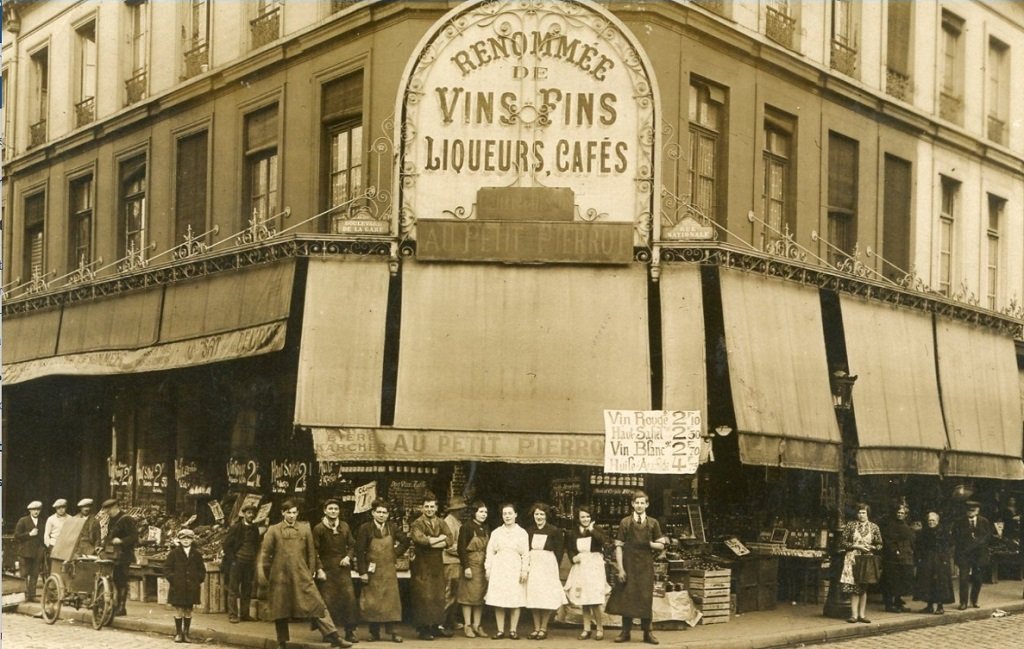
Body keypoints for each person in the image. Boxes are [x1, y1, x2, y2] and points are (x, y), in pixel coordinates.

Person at [258, 499, 351, 649]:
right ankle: (282, 642)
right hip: (280, 577)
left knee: (317, 604)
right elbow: (265, 555)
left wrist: (311, 572)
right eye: (289, 512)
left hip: (302, 575)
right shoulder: (273, 530)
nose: (292, 516)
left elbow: (311, 553)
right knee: (280, 609)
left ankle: (334, 637)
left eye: (294, 513)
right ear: (283, 513)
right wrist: (271, 575)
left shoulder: (304, 529)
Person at [606, 490, 666, 645]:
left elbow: (661, 544)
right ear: (632, 504)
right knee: (627, 596)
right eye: (636, 503)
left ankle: (648, 633)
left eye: (642, 503)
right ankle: (625, 632)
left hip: (646, 566)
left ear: (647, 504)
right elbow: (618, 546)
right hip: (628, 565)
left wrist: (648, 544)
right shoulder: (625, 522)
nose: (639, 506)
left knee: (645, 598)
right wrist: (620, 569)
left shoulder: (653, 523)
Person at [355, 499, 406, 643]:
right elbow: (359, 551)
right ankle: (374, 633)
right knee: (373, 602)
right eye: (379, 512)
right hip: (372, 571)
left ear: (388, 515)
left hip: (389, 570)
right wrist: (362, 572)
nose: (381, 515)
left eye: (384, 512)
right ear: (373, 513)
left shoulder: (392, 527)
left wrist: (395, 553)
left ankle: (394, 632)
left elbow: (405, 541)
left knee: (391, 602)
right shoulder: (365, 528)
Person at [408, 492, 455, 640]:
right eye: (426, 506)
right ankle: (423, 629)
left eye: (432, 506)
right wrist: (438, 539)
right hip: (421, 564)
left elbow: (450, 539)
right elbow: (420, 540)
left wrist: (433, 541)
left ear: (436, 508)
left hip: (436, 564)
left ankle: (435, 626)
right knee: (424, 596)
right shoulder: (417, 523)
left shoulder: (441, 522)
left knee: (437, 595)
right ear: (422, 508)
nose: (429, 509)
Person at [313, 499, 359, 643]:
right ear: (325, 511)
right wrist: (319, 569)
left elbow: (352, 545)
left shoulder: (344, 526)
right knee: (327, 601)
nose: (333, 511)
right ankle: (329, 633)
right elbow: (314, 551)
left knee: (349, 600)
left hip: (343, 569)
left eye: (336, 509)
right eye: (330, 509)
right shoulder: (319, 528)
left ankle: (350, 632)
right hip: (327, 570)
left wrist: (348, 557)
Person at [484, 502, 529, 640]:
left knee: (515, 599)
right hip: (499, 568)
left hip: (515, 567)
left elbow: (526, 553)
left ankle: (513, 630)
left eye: (510, 513)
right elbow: (490, 551)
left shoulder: (522, 533)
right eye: (504, 514)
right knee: (499, 599)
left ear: (515, 514)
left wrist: (524, 570)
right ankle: (500, 630)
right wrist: (488, 569)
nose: (507, 516)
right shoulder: (496, 532)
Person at [565, 504, 610, 640]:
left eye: (587, 517)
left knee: (594, 599)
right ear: (578, 518)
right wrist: (573, 557)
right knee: (584, 598)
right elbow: (570, 547)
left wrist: (592, 530)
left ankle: (599, 628)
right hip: (581, 566)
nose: (585, 519)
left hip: (594, 566)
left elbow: (605, 542)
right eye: (582, 517)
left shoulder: (597, 529)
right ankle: (586, 628)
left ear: (591, 517)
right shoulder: (573, 532)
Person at [524, 502, 566, 640]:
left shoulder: (554, 530)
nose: (539, 517)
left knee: (546, 596)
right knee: (534, 597)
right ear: (533, 515)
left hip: (548, 566)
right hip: (533, 565)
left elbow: (559, 551)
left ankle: (543, 628)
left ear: (546, 515)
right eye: (537, 514)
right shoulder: (529, 531)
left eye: (542, 514)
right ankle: (536, 628)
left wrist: (554, 567)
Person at [838, 503, 882, 624]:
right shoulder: (851, 525)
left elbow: (880, 544)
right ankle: (854, 615)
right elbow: (842, 542)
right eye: (859, 513)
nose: (861, 515)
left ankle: (862, 614)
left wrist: (871, 547)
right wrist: (855, 545)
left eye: (864, 513)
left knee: (863, 586)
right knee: (854, 587)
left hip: (867, 559)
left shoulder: (874, 527)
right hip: (852, 558)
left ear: (868, 514)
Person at [165, 528, 207, 643]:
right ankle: (178, 633)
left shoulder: (196, 554)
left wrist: (197, 581)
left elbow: (201, 570)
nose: (186, 541)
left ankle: (186, 634)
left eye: (189, 538)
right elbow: (167, 569)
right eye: (183, 538)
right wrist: (174, 579)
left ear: (192, 540)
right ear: (179, 540)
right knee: (179, 609)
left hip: (191, 587)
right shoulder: (174, 553)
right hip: (178, 587)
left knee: (188, 609)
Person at [223, 502, 262, 623]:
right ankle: (233, 615)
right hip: (237, 562)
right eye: (249, 513)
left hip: (249, 562)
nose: (251, 515)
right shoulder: (236, 527)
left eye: (253, 513)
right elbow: (226, 545)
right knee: (233, 589)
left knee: (247, 588)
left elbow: (256, 545)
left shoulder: (255, 529)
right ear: (243, 514)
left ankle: (245, 614)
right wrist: (233, 560)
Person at [456, 501, 490, 639]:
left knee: (480, 597)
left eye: (485, 512)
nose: (484, 515)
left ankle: (477, 624)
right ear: (474, 512)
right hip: (471, 564)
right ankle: (467, 625)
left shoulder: (486, 528)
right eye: (481, 512)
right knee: (468, 597)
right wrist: (466, 567)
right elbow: (461, 549)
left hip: (483, 565)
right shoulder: (466, 527)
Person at [951, 500, 993, 609]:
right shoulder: (959, 522)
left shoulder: (984, 522)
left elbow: (988, 536)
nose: (970, 513)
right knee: (963, 579)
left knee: (978, 579)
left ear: (978, 511)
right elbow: (955, 537)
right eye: (968, 511)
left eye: (973, 511)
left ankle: (974, 600)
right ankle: (963, 602)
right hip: (964, 554)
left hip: (979, 555)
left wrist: (978, 542)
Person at [100, 498, 138, 616]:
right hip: (114, 555)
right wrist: (103, 545)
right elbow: (110, 536)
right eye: (106, 510)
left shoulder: (126, 519)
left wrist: (121, 541)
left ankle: (122, 607)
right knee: (115, 580)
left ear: (116, 507)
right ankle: (115, 605)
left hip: (124, 555)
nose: (108, 512)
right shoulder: (112, 519)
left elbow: (134, 537)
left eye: (109, 510)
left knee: (122, 580)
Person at [913, 511, 954, 614]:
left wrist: (944, 558)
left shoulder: (943, 532)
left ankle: (940, 606)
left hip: (940, 560)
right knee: (927, 582)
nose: (931, 522)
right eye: (929, 520)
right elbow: (919, 546)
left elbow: (949, 545)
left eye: (933, 520)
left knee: (939, 582)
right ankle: (929, 605)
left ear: (937, 521)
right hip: (927, 560)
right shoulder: (924, 532)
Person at [880, 503, 915, 612]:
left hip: (905, 557)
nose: (900, 515)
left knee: (901, 580)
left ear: (905, 515)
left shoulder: (905, 525)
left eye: (902, 513)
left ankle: (898, 602)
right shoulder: (891, 526)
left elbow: (910, 539)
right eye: (898, 513)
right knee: (891, 580)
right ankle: (889, 604)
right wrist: (895, 551)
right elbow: (888, 541)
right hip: (893, 558)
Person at [442, 497, 468, 634]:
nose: (463, 511)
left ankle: (450, 621)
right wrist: (464, 551)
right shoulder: (449, 522)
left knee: (455, 593)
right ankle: (441, 622)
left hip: (455, 562)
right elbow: (449, 546)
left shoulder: (456, 521)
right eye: (461, 509)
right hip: (450, 562)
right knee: (449, 592)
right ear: (456, 510)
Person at [14, 501, 46, 602]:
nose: (36, 511)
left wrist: (43, 548)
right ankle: (23, 594)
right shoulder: (23, 520)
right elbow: (17, 535)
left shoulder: (42, 521)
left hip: (38, 552)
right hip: (25, 552)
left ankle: (32, 595)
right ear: (30, 510)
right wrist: (29, 534)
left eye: (38, 510)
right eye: (34, 509)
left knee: (35, 573)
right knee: (24, 574)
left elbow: (44, 536)